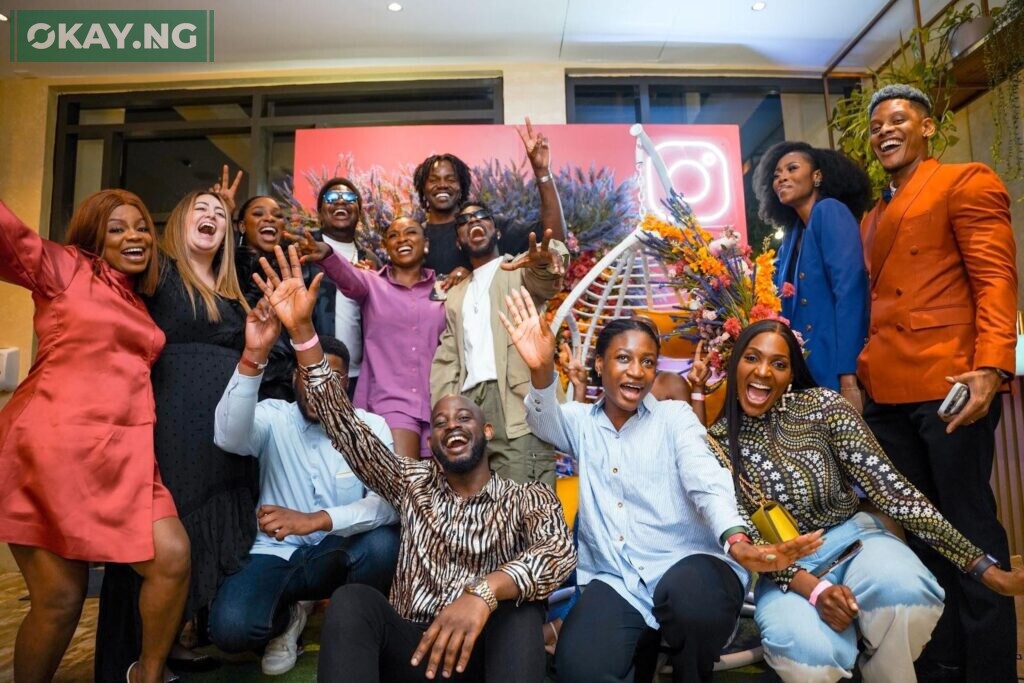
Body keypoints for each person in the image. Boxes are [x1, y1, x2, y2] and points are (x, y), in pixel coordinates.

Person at [249, 244, 577, 682]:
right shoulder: (410, 482)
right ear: (431, 441)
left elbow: (556, 553)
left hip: (485, 654)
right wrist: (304, 333)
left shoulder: (527, 497)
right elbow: (346, 429)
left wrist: (482, 593)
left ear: (487, 431)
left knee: (520, 613)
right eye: (439, 422)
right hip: (415, 652)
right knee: (352, 601)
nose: (451, 425)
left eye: (464, 418)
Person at [499, 292, 824, 682]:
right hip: (618, 580)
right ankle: (644, 644)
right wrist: (540, 370)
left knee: (693, 606)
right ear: (600, 364)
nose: (637, 372)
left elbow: (706, 479)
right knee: (579, 670)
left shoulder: (674, 417)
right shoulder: (580, 422)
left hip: (690, 566)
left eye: (648, 361)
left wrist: (737, 540)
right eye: (623, 358)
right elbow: (542, 421)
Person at [706, 318, 1024, 682]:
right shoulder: (715, 445)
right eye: (752, 358)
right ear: (735, 364)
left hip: (854, 542)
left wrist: (984, 569)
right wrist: (817, 591)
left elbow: (892, 491)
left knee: (910, 597)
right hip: (786, 574)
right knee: (806, 661)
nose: (763, 371)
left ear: (791, 374)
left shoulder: (823, 407)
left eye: (778, 364)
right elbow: (749, 543)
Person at [858, 83, 1019, 682]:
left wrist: (991, 366)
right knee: (923, 535)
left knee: (967, 524)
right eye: (876, 125)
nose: (885, 131)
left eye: (898, 119)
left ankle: (992, 670)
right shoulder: (873, 214)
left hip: (951, 383)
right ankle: (945, 664)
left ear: (927, 127)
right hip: (887, 392)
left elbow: (996, 280)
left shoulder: (964, 180)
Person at [0, 192, 190, 683]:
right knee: (60, 599)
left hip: (126, 456)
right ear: (93, 238)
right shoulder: (66, 268)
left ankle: (146, 675)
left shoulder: (138, 298)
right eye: (117, 229)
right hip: (52, 447)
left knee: (171, 556)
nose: (135, 236)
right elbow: (10, 236)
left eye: (142, 227)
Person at [96, 190, 257, 681]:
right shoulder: (159, 274)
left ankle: (170, 645)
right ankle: (129, 658)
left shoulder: (233, 290)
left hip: (224, 433)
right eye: (199, 210)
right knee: (161, 540)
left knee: (202, 537)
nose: (210, 217)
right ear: (179, 222)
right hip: (171, 424)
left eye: (219, 215)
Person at [210, 317, 399, 675]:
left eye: (330, 376)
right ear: (294, 378)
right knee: (231, 628)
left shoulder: (371, 426)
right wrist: (253, 355)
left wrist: (317, 520)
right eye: (307, 374)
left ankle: (355, 625)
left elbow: (389, 504)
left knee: (382, 545)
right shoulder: (272, 416)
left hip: (335, 551)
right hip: (275, 551)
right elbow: (228, 437)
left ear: (345, 383)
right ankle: (288, 619)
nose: (317, 385)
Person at [430, 209, 567, 486]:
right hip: (469, 404)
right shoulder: (456, 294)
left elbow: (545, 273)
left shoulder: (519, 270)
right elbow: (448, 359)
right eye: (464, 221)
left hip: (516, 403)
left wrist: (546, 263)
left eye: (482, 216)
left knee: (524, 495)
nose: (473, 221)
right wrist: (444, 414)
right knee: (477, 498)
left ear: (498, 231)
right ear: (458, 241)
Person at [293, 216, 446, 459]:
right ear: (385, 247)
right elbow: (347, 277)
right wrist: (327, 254)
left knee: (438, 482)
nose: (402, 239)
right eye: (393, 235)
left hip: (437, 402)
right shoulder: (371, 283)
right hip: (390, 402)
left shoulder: (444, 288)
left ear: (425, 242)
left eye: (410, 232)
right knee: (402, 479)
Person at [753, 142, 872, 402]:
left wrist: (848, 375)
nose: (782, 177)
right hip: (803, 371)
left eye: (792, 168)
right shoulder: (791, 236)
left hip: (833, 367)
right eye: (776, 174)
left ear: (816, 176)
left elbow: (850, 294)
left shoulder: (830, 211)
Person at [416, 118, 567, 278]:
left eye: (451, 179)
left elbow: (554, 237)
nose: (442, 185)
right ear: (422, 188)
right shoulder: (414, 236)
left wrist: (542, 171)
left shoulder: (487, 226)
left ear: (462, 187)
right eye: (433, 180)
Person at [312, 178, 375, 395]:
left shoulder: (371, 260)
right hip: (312, 373)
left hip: (359, 378)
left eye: (349, 197)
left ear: (359, 211)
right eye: (331, 197)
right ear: (320, 212)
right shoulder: (304, 249)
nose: (341, 201)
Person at [233, 194, 298, 401]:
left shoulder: (296, 273)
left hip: (286, 389)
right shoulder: (225, 269)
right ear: (242, 226)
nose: (269, 218)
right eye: (258, 213)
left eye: (277, 215)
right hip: (239, 380)